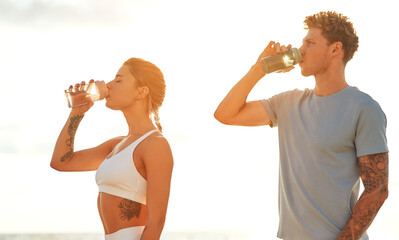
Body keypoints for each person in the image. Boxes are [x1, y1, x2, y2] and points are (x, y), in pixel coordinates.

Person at [214, 11, 388, 240]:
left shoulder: (364, 108)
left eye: (310, 43)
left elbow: (377, 189)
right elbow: (225, 114)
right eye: (302, 42)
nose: (301, 50)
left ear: (335, 49)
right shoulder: (287, 103)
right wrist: (260, 68)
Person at [51, 58, 173, 240]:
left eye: (118, 80)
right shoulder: (116, 145)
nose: (108, 85)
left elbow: (156, 223)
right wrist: (77, 113)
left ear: (141, 92)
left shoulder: (155, 144)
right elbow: (61, 162)